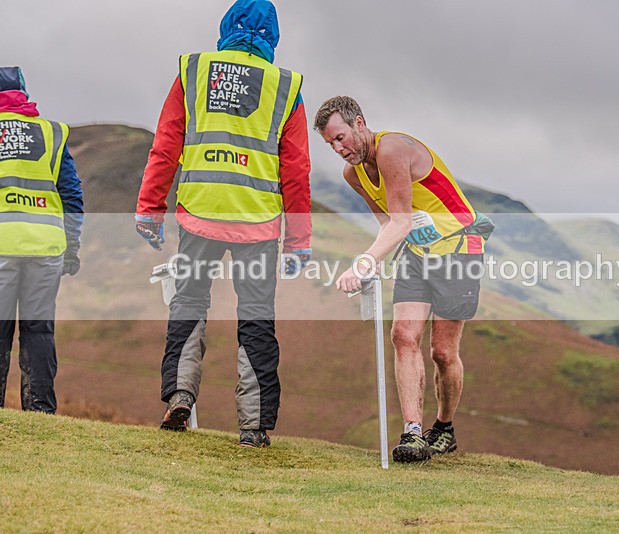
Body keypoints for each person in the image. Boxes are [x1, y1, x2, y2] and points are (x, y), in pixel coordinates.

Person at [135, 0, 311, 447]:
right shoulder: (285, 86)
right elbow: (296, 171)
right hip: (259, 223)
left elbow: (165, 145)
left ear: (226, 27)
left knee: (189, 303)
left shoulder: (192, 71)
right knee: (256, 318)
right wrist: (298, 242)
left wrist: (149, 209)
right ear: (272, 37)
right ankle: (253, 428)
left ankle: (179, 396)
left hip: (199, 214)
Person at [314, 96, 487, 462]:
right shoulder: (353, 174)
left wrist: (362, 263)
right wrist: (376, 260)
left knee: (443, 352)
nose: (339, 149)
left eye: (341, 137)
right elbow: (388, 224)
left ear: (359, 123)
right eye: (331, 144)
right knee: (403, 335)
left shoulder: (391, 148)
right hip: (417, 253)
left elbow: (402, 222)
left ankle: (443, 428)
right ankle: (412, 433)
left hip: (460, 248)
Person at [0, 66, 83, 413]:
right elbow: (72, 196)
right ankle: (40, 410)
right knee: (39, 331)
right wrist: (73, 247)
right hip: (45, 248)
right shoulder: (51, 133)